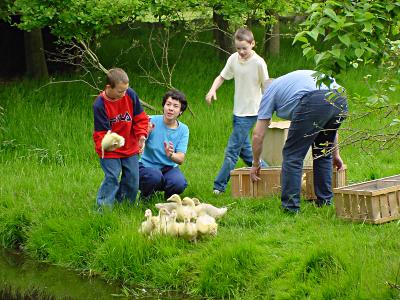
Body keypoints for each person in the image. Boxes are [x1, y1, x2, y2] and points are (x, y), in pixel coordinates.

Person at [250, 70, 348, 213]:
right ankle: (325, 203)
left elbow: (258, 134)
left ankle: (290, 208)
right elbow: (327, 119)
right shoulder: (291, 84)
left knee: (292, 156)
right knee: (323, 153)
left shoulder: (269, 92)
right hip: (340, 97)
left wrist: (255, 163)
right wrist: (334, 154)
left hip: (314, 100)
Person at [205, 27, 269, 195]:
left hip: (251, 112)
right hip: (237, 112)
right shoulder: (233, 59)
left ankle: (219, 186)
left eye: (244, 48)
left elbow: (266, 86)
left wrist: (267, 110)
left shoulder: (259, 63)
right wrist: (212, 90)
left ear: (252, 44)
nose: (241, 52)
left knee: (232, 150)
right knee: (246, 151)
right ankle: (271, 174)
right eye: (238, 48)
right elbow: (222, 76)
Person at [93, 68, 149, 208]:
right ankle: (103, 209)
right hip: (109, 148)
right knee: (112, 177)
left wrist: (141, 135)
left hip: (130, 146)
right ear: (108, 87)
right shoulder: (99, 104)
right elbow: (101, 134)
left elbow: (140, 118)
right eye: (120, 91)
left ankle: (125, 206)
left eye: (126, 90)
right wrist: (110, 144)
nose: (124, 94)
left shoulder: (130, 95)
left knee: (132, 179)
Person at [139, 89, 189, 200]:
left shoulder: (184, 130)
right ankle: (145, 196)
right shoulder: (150, 121)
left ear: (180, 111)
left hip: (168, 168)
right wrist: (144, 135)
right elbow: (137, 145)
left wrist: (171, 155)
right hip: (146, 166)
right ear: (164, 106)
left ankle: (169, 200)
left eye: (176, 106)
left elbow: (180, 159)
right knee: (154, 176)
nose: (171, 108)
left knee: (179, 182)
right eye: (168, 104)